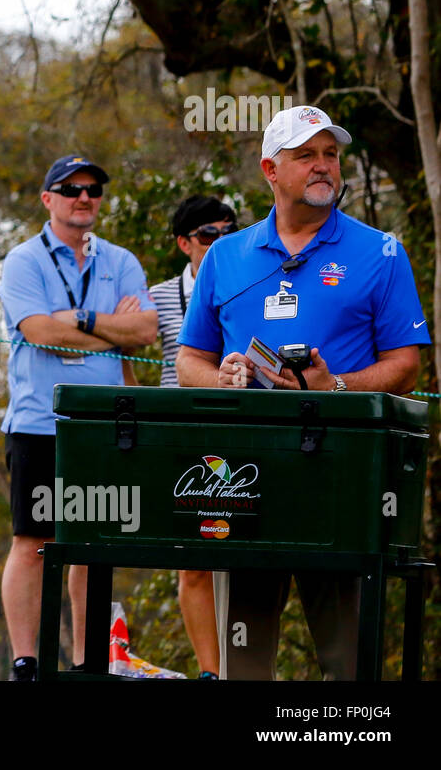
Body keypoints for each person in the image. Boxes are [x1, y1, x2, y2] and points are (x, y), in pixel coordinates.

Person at [176, 105, 428, 680]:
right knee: (244, 659)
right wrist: (223, 378)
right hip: (243, 481)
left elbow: (405, 366)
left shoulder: (380, 252)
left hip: (341, 481)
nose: (324, 167)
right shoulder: (224, 255)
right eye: (306, 155)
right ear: (271, 169)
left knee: (348, 664)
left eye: (332, 155)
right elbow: (190, 359)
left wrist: (334, 385)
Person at [0, 155, 157, 680]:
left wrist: (84, 318)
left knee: (94, 546)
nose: (84, 197)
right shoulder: (24, 260)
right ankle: (27, 663)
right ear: (48, 199)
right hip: (39, 422)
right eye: (70, 189)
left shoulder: (122, 260)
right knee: (35, 542)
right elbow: (41, 331)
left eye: (93, 188)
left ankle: (90, 665)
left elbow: (145, 334)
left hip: (105, 426)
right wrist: (113, 325)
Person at [148, 195, 237, 680]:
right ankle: (210, 672)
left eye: (229, 231)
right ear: (184, 243)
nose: (219, 242)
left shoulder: (247, 287)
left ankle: (241, 667)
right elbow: (131, 344)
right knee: (193, 560)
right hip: (178, 441)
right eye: (208, 234)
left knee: (244, 554)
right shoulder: (159, 296)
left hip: (239, 436)